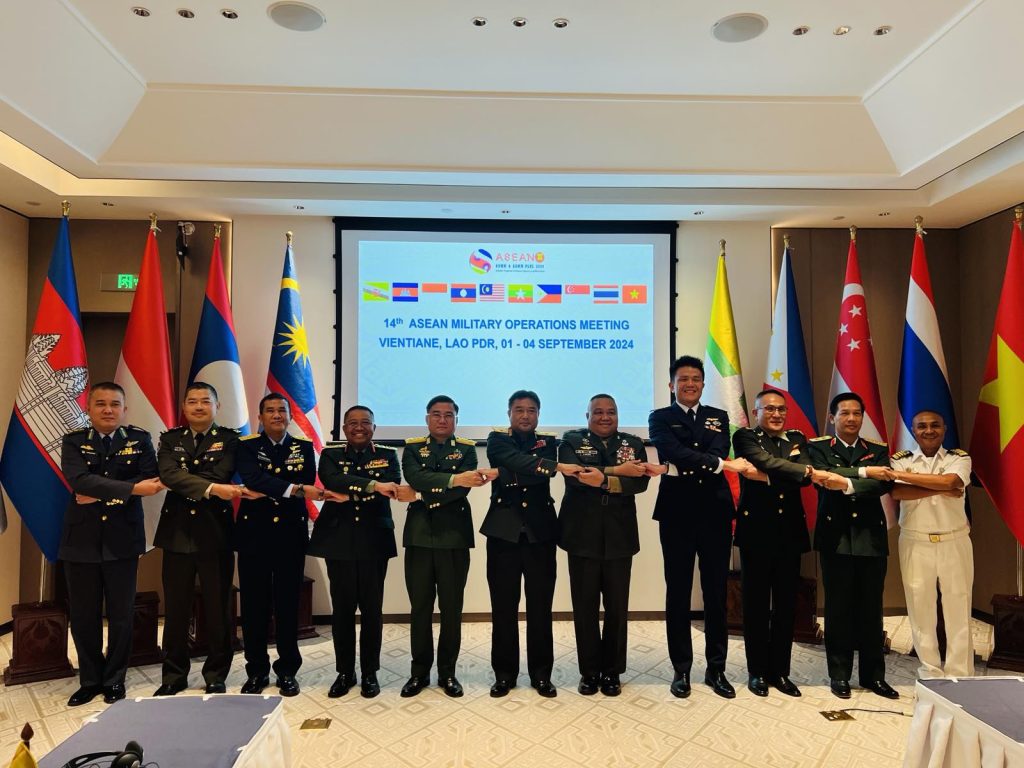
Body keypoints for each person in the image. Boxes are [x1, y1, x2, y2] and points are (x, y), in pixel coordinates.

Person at [647, 355, 752, 699]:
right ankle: (681, 669)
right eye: (683, 379)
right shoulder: (659, 417)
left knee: (715, 593)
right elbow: (673, 451)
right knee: (677, 592)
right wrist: (719, 465)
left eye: (695, 379)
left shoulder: (718, 416)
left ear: (703, 384)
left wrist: (694, 464)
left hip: (715, 512)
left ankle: (716, 668)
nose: (690, 384)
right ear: (671, 385)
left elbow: (716, 449)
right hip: (676, 514)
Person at [59, 381, 164, 706]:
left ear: (124, 409)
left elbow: (150, 480)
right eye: (101, 404)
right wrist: (129, 489)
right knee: (83, 616)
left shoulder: (139, 439)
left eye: (114, 404)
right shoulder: (74, 441)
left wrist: (98, 493)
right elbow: (78, 480)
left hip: (123, 539)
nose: (108, 410)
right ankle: (90, 680)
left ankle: (115, 679)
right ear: (89, 409)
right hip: (82, 541)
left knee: (121, 614)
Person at [732, 389, 832, 698]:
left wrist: (770, 474)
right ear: (756, 412)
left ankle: (780, 672)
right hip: (756, 533)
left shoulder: (797, 438)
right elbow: (767, 462)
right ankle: (757, 672)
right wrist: (800, 471)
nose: (776, 414)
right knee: (756, 605)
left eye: (781, 409)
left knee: (786, 605)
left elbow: (800, 477)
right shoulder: (745, 437)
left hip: (789, 532)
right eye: (769, 409)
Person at [559, 393, 660, 696]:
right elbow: (576, 476)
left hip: (619, 533)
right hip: (581, 532)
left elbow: (639, 482)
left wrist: (603, 480)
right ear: (587, 416)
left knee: (617, 607)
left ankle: (612, 671)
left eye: (611, 412)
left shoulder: (633, 443)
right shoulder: (571, 442)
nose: (605, 417)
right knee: (585, 607)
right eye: (598, 412)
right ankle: (590, 672)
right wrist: (617, 474)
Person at [235, 393, 335, 697]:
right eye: (270, 410)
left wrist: (281, 488)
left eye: (282, 410)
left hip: (290, 536)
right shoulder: (247, 446)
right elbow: (252, 478)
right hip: (254, 536)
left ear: (290, 416)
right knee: (254, 606)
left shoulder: (302, 447)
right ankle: (257, 671)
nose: (277, 415)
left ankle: (287, 670)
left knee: (289, 604)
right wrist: (294, 489)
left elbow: (306, 479)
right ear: (260, 417)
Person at [483, 390, 581, 699]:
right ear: (509, 413)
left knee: (541, 608)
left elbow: (534, 475)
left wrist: (509, 473)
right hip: (503, 533)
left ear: (538, 414)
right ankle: (504, 675)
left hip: (540, 534)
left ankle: (541, 675)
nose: (525, 415)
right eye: (519, 410)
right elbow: (515, 461)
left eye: (531, 410)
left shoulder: (549, 442)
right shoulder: (496, 439)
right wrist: (544, 467)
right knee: (503, 607)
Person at [310, 405, 413, 698]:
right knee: (342, 611)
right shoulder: (330, 454)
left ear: (374, 428)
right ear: (344, 429)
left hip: (373, 540)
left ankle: (370, 672)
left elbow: (391, 487)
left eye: (365, 422)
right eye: (352, 423)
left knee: (371, 610)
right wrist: (373, 485)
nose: (359, 427)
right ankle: (345, 672)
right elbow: (332, 481)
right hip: (338, 540)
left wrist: (355, 492)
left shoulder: (388, 455)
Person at [153, 382, 248, 696]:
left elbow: (222, 475)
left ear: (217, 406)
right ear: (184, 407)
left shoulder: (231, 440)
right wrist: (211, 489)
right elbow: (167, 474)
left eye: (205, 401)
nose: (198, 406)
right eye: (192, 401)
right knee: (176, 609)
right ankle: (173, 675)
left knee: (218, 608)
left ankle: (216, 674)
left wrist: (193, 484)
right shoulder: (170, 439)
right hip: (176, 534)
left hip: (215, 533)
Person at [400, 395, 496, 697]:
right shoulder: (412, 448)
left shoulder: (467, 449)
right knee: (420, 608)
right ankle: (419, 673)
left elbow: (461, 490)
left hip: (454, 536)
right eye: (436, 414)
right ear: (427, 418)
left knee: (452, 608)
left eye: (449, 415)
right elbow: (415, 477)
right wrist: (454, 479)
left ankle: (447, 673)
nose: (442, 420)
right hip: (419, 535)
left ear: (456, 419)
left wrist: (420, 494)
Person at [808, 391, 898, 700]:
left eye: (856, 413)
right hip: (835, 538)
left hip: (870, 538)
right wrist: (863, 473)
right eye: (844, 413)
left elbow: (882, 484)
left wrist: (844, 482)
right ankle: (840, 674)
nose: (851, 419)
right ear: (832, 417)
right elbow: (821, 477)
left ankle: (874, 677)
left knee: (871, 609)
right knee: (838, 609)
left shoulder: (877, 449)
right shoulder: (818, 447)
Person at [890, 410, 974, 679]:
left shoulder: (959, 458)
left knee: (958, 607)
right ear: (913, 431)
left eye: (935, 425)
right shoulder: (900, 459)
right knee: (920, 609)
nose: (928, 430)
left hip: (954, 540)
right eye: (922, 426)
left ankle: (960, 673)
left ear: (944, 429)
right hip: (915, 542)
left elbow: (953, 481)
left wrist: (941, 484)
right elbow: (897, 491)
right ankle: (930, 672)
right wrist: (942, 488)